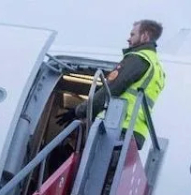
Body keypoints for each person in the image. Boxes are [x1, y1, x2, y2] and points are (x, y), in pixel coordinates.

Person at [57, 20, 165, 150]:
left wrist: (78, 111)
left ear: (145, 36)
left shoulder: (138, 59)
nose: (128, 39)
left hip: (118, 128)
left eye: (132, 34)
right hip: (135, 131)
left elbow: (109, 91)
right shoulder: (157, 68)